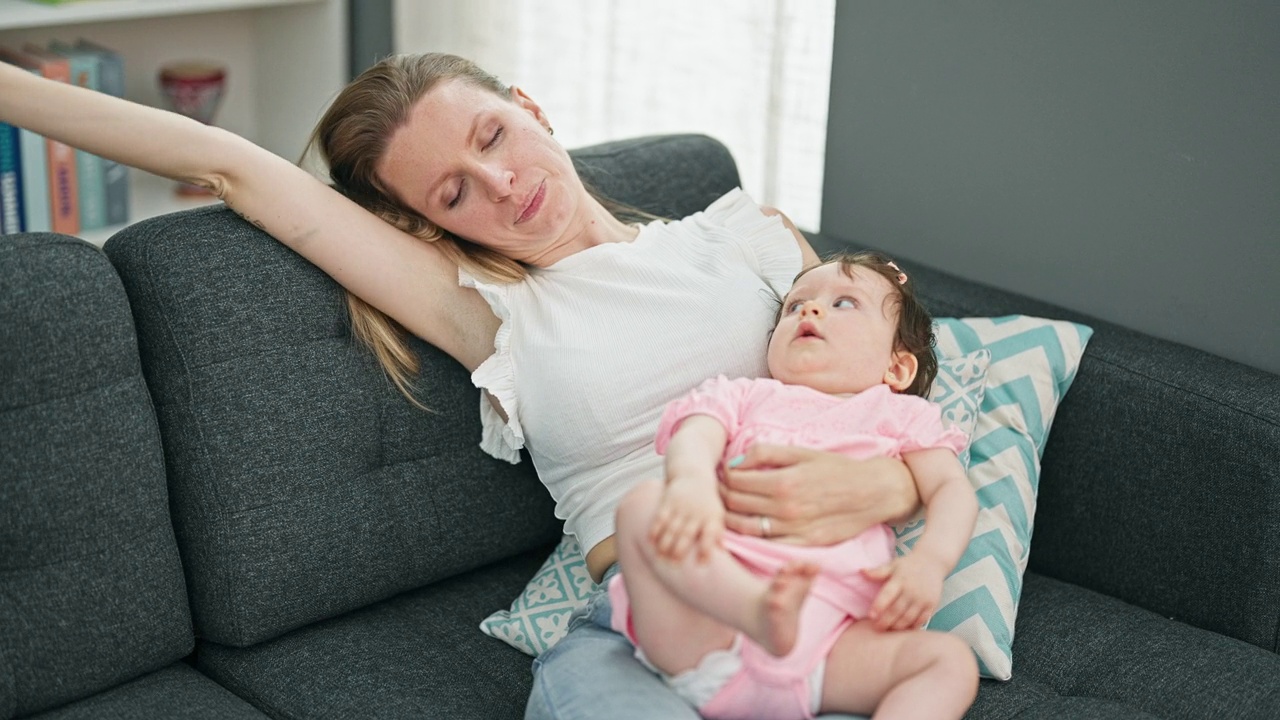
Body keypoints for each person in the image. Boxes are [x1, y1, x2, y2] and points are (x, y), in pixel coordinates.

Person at [0, 53, 924, 719]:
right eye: (453, 192)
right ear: (428, 225)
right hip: (653, 638)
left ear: (531, 106)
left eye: (493, 134)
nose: (499, 181)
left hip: (829, 594)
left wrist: (891, 483)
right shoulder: (491, 316)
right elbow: (227, 165)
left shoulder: (745, 239)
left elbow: (910, 388)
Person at [610, 252, 980, 720]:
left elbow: (951, 489)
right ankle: (754, 610)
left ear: (897, 368)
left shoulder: (901, 418)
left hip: (830, 647)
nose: (809, 310)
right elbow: (696, 432)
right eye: (794, 306)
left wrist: (930, 562)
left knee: (948, 662)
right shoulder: (746, 395)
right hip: (707, 626)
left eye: (845, 303)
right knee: (641, 505)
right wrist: (692, 485)